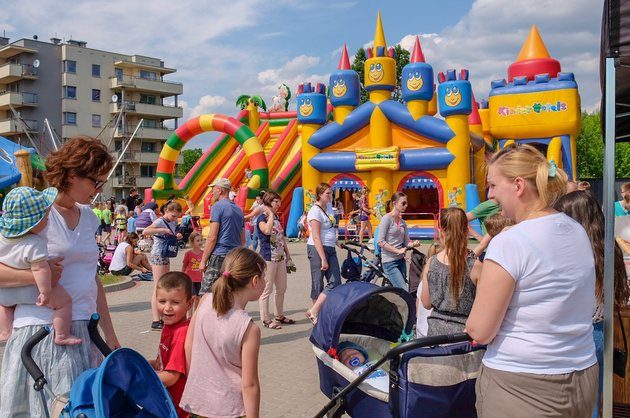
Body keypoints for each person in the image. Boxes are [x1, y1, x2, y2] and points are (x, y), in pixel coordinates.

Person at [466, 144, 598, 417]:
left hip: (521, 383)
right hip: (581, 372)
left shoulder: (510, 241)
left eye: (492, 185)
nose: (489, 195)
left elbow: (480, 330)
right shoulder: (576, 230)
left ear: (518, 186)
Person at [0, 135, 120, 416]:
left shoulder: (90, 217)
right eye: (95, 182)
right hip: (42, 332)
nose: (99, 189)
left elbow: (93, 278)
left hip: (84, 332)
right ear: (72, 174)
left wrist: (110, 332)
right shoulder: (35, 213)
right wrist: (38, 277)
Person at [554, 190, 630, 418]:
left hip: (576, 332)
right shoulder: (607, 247)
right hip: (600, 330)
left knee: (568, 403)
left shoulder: (573, 252)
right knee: (592, 402)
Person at [181, 248, 264, 418]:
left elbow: (188, 345)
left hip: (197, 402)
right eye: (264, 278)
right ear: (255, 280)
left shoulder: (205, 300)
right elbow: (249, 385)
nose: (265, 281)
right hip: (229, 408)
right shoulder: (249, 328)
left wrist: (196, 380)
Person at [0, 187, 80, 345]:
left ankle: (5, 331)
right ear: (34, 222)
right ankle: (62, 334)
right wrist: (45, 292)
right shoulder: (35, 243)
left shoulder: (2, 239)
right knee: (64, 302)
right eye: (46, 216)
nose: (49, 218)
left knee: (3, 305)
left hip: (5, 294)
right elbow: (40, 269)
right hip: (33, 292)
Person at [420, 207, 482, 336]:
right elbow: (484, 308)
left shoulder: (431, 262)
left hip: (435, 336)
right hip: (465, 337)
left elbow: (426, 303)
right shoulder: (476, 266)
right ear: (466, 232)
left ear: (441, 232)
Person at [149, 272, 192, 418]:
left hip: (177, 406)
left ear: (189, 304)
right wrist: (147, 364)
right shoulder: (169, 326)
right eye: (162, 301)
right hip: (167, 399)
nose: (167, 308)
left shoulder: (181, 334)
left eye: (175, 302)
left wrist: (144, 375)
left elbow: (172, 376)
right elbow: (164, 362)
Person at [199, 178, 245, 295]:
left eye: (213, 190)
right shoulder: (239, 210)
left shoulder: (218, 206)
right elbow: (243, 240)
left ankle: (205, 314)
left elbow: (212, 236)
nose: (212, 193)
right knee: (227, 292)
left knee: (207, 293)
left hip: (219, 254)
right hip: (234, 256)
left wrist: (203, 260)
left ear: (219, 190)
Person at [256, 191, 294, 329]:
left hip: (280, 257)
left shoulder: (276, 217)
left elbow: (281, 237)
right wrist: (271, 215)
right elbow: (266, 231)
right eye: (276, 202)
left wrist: (288, 254)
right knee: (267, 288)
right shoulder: (262, 218)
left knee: (281, 288)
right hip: (268, 258)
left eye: (279, 201)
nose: (279, 204)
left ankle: (279, 315)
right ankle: (265, 319)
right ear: (268, 202)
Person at [144, 201, 183, 330]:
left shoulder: (173, 222)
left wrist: (177, 235)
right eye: (173, 216)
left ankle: (161, 317)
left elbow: (171, 234)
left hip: (166, 253)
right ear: (166, 211)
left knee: (164, 285)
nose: (174, 219)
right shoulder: (160, 221)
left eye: (176, 216)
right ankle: (155, 320)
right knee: (158, 286)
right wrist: (162, 230)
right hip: (158, 254)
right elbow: (145, 231)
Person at [306, 183, 341, 324]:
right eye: (327, 193)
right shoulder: (315, 211)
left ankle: (313, 310)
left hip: (330, 247)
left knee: (335, 282)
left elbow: (330, 229)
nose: (330, 196)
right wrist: (323, 258)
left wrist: (337, 242)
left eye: (331, 193)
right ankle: (317, 315)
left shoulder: (329, 209)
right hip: (317, 249)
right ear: (319, 194)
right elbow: (316, 236)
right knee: (317, 282)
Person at [378, 192, 420, 289]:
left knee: (399, 291)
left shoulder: (402, 222)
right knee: (403, 290)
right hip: (389, 262)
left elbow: (406, 243)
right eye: (403, 203)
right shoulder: (387, 219)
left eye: (406, 203)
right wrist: (397, 250)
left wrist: (413, 244)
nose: (406, 205)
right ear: (395, 203)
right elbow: (381, 242)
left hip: (401, 260)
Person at [181, 231, 204, 311]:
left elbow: (205, 266)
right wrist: (182, 275)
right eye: (197, 241)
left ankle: (196, 313)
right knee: (192, 297)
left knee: (198, 297)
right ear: (192, 242)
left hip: (199, 279)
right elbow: (184, 265)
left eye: (201, 240)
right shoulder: (188, 253)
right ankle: (189, 315)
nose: (200, 242)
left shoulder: (204, 253)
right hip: (190, 278)